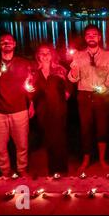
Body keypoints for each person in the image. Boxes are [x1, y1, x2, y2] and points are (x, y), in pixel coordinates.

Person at [0, 33, 33, 177]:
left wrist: (31, 103)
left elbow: (28, 83)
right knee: (0, 146)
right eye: (3, 42)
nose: (6, 43)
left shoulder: (23, 63)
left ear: (15, 44)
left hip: (19, 110)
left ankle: (22, 169)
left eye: (9, 41)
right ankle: (6, 171)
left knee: (22, 144)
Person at [68, 24, 109, 172]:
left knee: (102, 127)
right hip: (84, 95)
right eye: (88, 35)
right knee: (85, 128)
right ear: (85, 37)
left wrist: (105, 87)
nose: (91, 37)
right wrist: (74, 72)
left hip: (101, 95)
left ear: (99, 37)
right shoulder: (78, 55)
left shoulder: (108, 56)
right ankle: (86, 158)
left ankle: (102, 159)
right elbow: (72, 79)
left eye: (94, 34)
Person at [31, 44, 70, 175]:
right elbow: (30, 90)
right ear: (38, 56)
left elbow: (68, 88)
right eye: (42, 53)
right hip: (43, 109)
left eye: (48, 53)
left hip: (58, 107)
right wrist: (30, 101)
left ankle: (62, 167)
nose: (45, 56)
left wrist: (67, 89)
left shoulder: (59, 70)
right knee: (48, 137)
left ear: (52, 55)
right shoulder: (34, 71)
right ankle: (52, 168)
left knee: (60, 137)